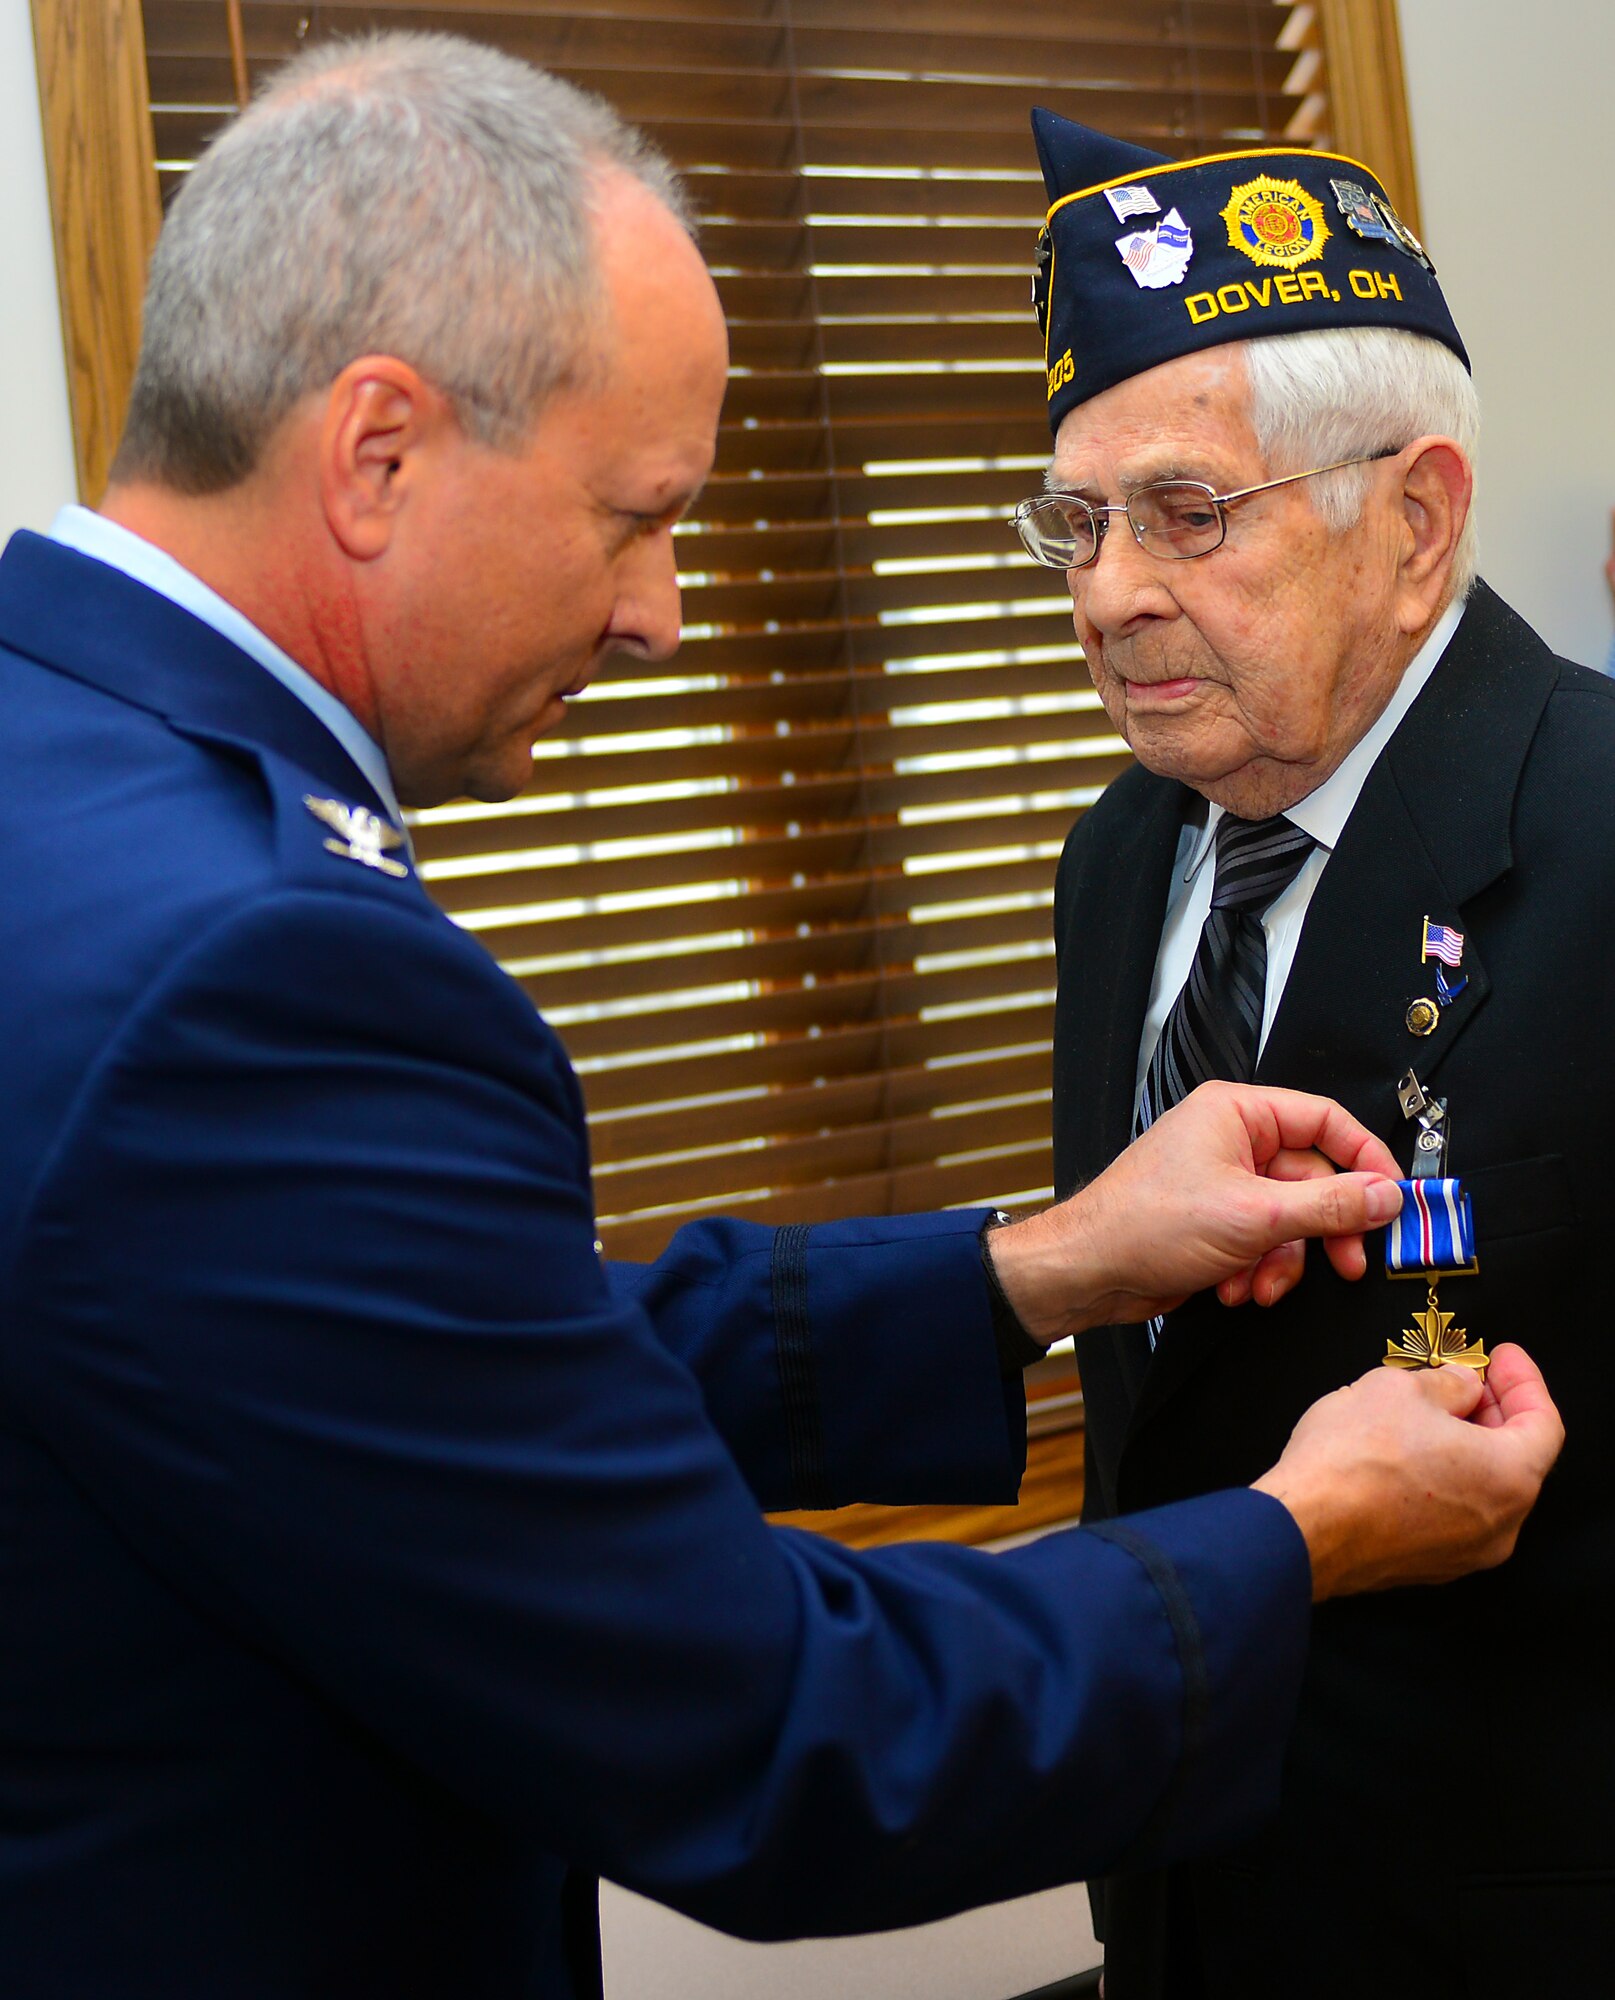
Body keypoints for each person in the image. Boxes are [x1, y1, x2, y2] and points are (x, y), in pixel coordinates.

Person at [0, 39, 1562, 2000]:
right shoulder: (243, 968)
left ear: (1416, 520)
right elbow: (762, 1718)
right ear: (375, 455)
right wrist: (1298, 1534)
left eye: (1187, 509)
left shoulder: (54, 767)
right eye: (637, 512)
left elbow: (478, 1367)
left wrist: (1032, 1265)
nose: (662, 612)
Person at [1027, 107, 1612, 1999]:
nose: (1110, 591)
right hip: (1189, 1908)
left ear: (1416, 521)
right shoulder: (1119, 858)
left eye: (1188, 513)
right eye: (1076, 521)